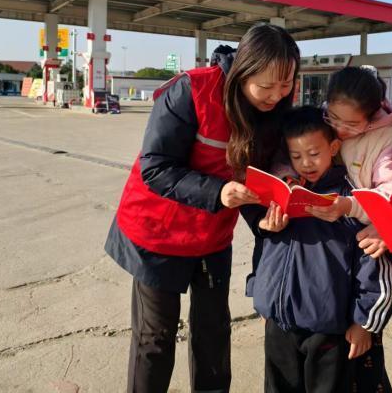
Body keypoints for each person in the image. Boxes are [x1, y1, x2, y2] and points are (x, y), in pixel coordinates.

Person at [104, 23, 300, 393]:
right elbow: (155, 167)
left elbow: (258, 178)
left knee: (214, 332)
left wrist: (267, 216)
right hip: (157, 232)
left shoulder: (274, 112)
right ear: (243, 72)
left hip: (212, 237)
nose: (276, 95)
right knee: (155, 337)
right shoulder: (192, 90)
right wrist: (218, 191)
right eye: (266, 86)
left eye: (286, 84)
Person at [242, 106, 392, 393]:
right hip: (279, 324)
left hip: (329, 329)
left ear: (334, 147)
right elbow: (263, 248)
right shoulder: (283, 193)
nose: (306, 163)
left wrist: (365, 323)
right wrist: (259, 291)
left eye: (314, 153)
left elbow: (375, 264)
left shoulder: (350, 201)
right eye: (296, 156)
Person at [305, 65, 392, 392]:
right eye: (334, 118)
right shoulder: (320, 123)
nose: (340, 129)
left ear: (371, 118)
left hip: (363, 241)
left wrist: (350, 206)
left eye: (351, 124)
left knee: (364, 359)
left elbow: (390, 193)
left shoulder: (385, 138)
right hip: (325, 248)